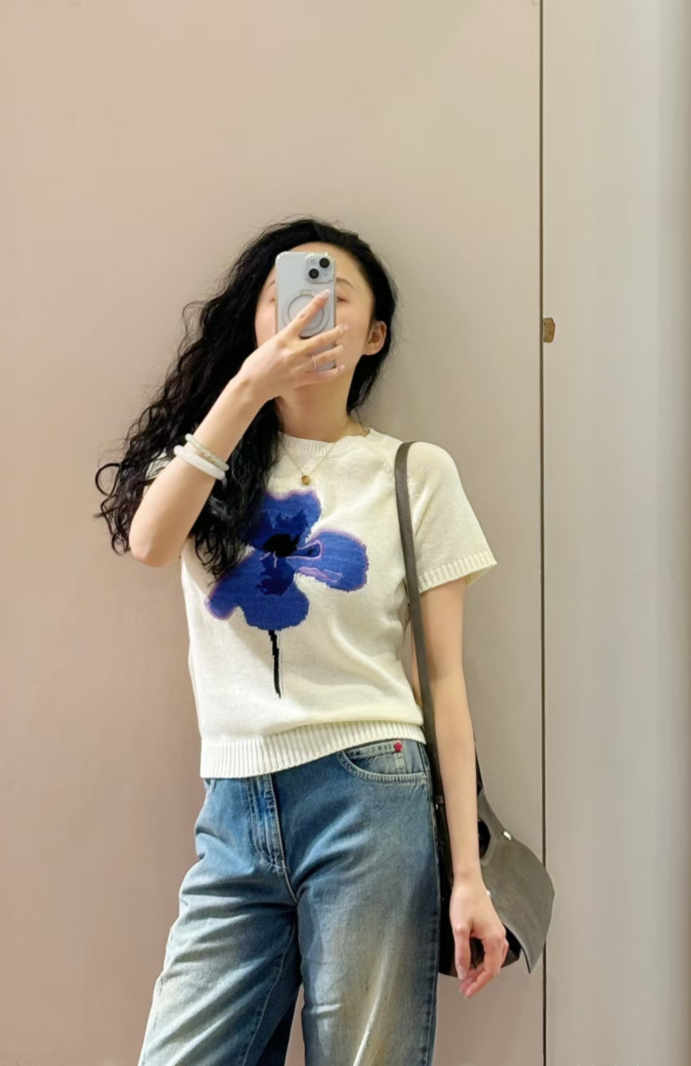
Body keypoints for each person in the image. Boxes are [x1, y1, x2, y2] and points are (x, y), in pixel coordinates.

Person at [95, 216, 509, 1066]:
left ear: (375, 335)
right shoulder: (207, 462)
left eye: (334, 294)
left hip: (371, 791)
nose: (307, 309)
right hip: (233, 807)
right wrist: (247, 389)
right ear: (254, 322)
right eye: (282, 294)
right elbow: (150, 543)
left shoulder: (414, 472)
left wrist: (468, 875)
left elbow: (444, 680)